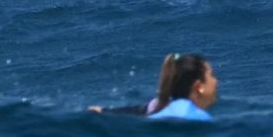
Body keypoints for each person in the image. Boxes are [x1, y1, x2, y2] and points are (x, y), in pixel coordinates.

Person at [88, 52, 218, 122]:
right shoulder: (197, 117)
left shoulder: (157, 107)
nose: (215, 81)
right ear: (198, 86)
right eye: (212, 75)